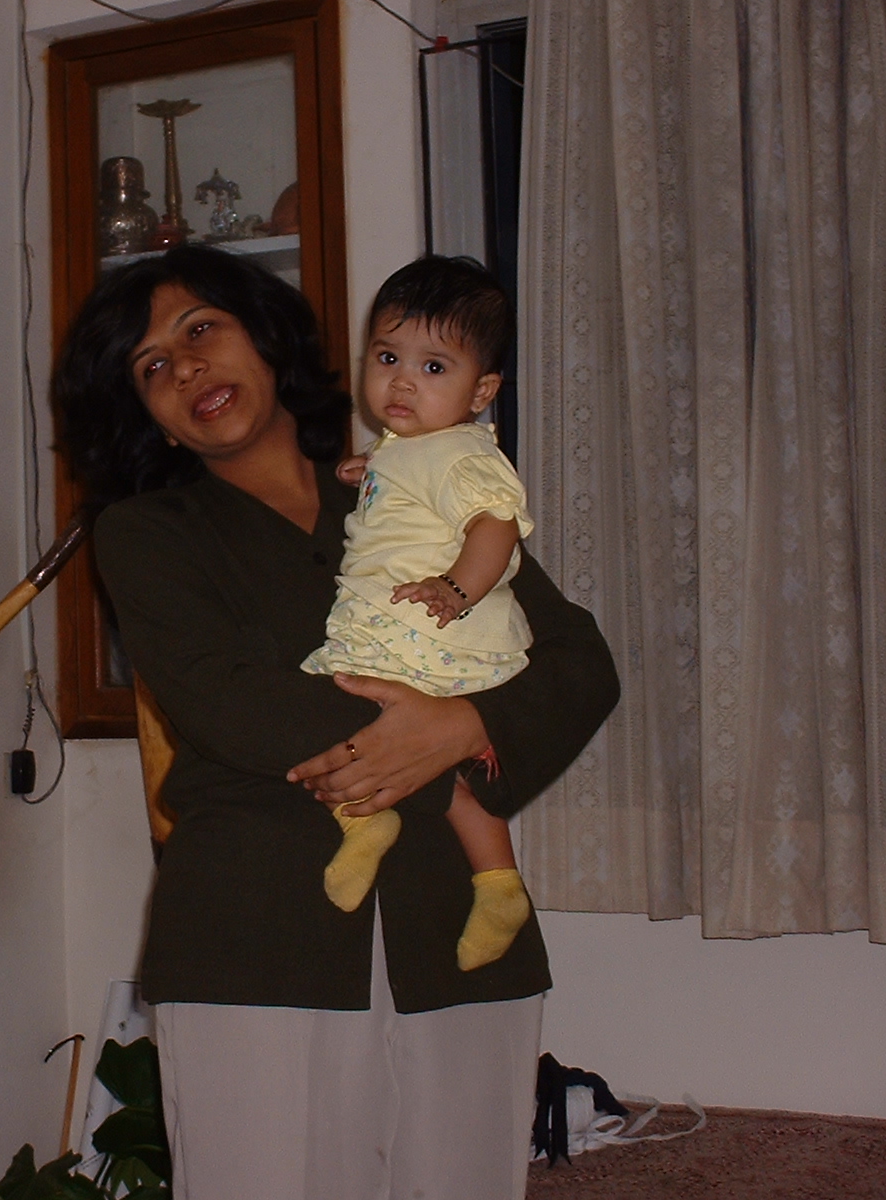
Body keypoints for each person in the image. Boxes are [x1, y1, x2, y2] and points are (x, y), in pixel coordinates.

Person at [54, 243, 618, 1200]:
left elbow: (577, 661)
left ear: (267, 339)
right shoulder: (147, 534)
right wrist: (437, 751)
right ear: (144, 412)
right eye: (151, 366)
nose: (184, 367)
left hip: (456, 933)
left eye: (201, 329)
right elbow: (227, 698)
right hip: (257, 940)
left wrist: (465, 723)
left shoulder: (414, 482)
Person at [301, 255, 535, 973]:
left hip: (424, 629)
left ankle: (366, 822)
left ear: (482, 390)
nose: (402, 381)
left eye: (434, 367)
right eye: (388, 358)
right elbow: (412, 487)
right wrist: (372, 468)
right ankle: (497, 883)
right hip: (406, 626)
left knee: (339, 715)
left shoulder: (462, 456)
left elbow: (496, 524)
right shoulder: (413, 449)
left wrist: (458, 590)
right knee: (442, 768)